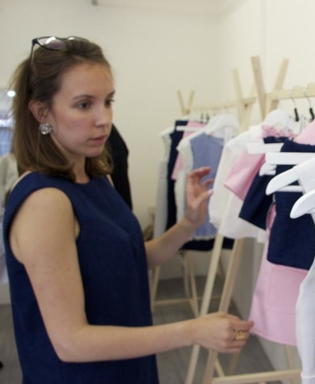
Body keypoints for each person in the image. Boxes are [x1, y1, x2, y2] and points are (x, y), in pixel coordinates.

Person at [4, 36, 253, 383]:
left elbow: (132, 257)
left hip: (124, 363)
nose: (103, 118)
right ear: (41, 112)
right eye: (83, 105)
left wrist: (188, 223)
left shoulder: (94, 178)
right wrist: (192, 331)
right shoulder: (46, 201)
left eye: (108, 102)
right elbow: (71, 342)